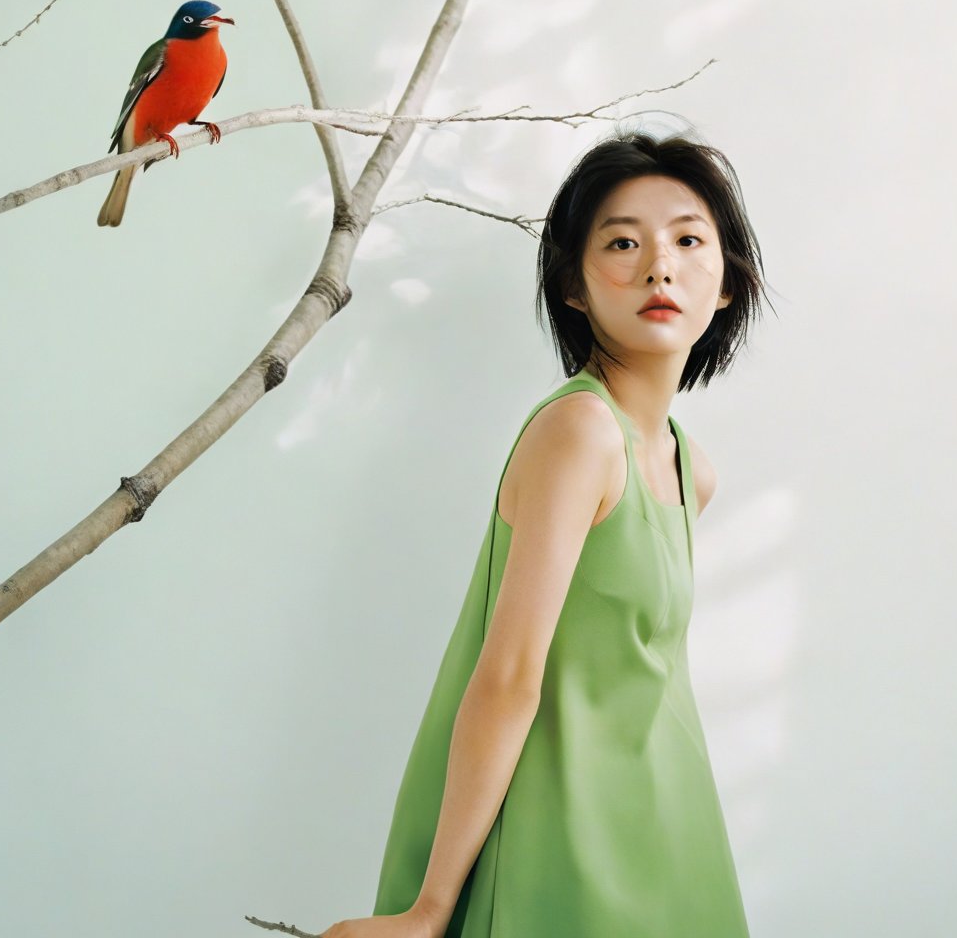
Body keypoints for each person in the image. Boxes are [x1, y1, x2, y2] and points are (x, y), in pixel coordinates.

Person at [320, 127, 767, 937]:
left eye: (689, 240)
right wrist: (431, 909)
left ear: (728, 284)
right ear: (572, 286)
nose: (659, 266)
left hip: (672, 835)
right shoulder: (580, 435)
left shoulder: (688, 466)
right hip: (559, 835)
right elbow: (508, 677)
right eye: (623, 243)